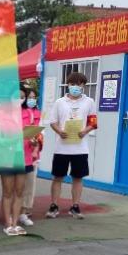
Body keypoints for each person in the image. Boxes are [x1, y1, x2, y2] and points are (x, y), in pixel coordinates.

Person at [46, 72, 97, 219]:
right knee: (57, 177)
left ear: (83, 86)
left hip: (80, 148)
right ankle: (54, 206)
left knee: (78, 178)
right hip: (61, 148)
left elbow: (93, 122)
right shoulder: (59, 102)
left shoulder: (89, 102)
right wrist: (59, 131)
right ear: (68, 85)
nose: (76, 87)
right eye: (73, 84)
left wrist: (85, 131)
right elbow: (53, 122)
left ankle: (75, 206)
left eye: (79, 84)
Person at [0, 85, 32, 236]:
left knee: (19, 192)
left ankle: (15, 223)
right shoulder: (1, 114)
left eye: (22, 97)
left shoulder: (28, 113)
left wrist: (34, 140)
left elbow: (32, 133)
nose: (19, 99)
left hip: (23, 156)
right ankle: (8, 224)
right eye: (16, 96)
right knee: (8, 192)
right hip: (6, 156)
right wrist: (12, 139)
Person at [19, 88, 43, 227]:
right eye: (29, 97)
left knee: (29, 185)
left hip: (33, 155)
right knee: (16, 186)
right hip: (18, 154)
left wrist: (36, 145)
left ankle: (24, 212)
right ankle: (13, 212)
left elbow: (40, 134)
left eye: (34, 97)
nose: (32, 100)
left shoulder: (38, 114)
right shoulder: (18, 113)